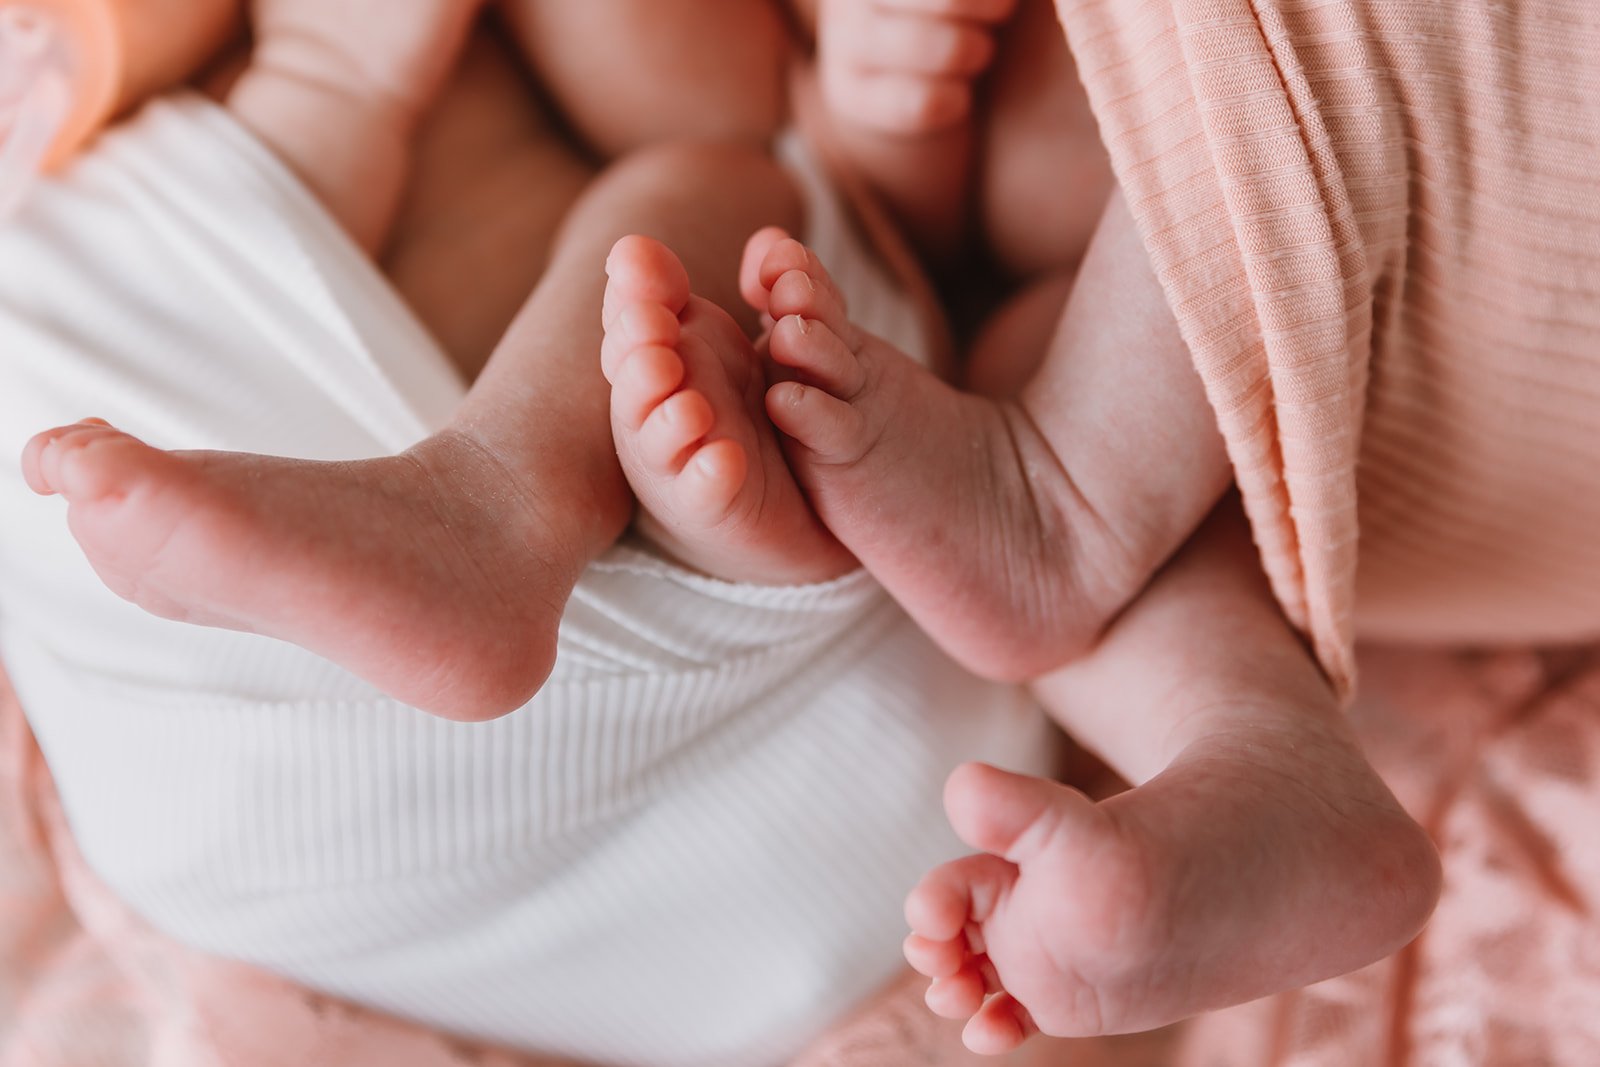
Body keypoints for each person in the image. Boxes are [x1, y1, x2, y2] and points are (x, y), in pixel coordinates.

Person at [0, 3, 1061, 1063]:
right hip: (860, 781)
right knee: (710, 208)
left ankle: (635, 519)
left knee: (709, 231)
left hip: (251, 829)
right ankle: (563, 506)